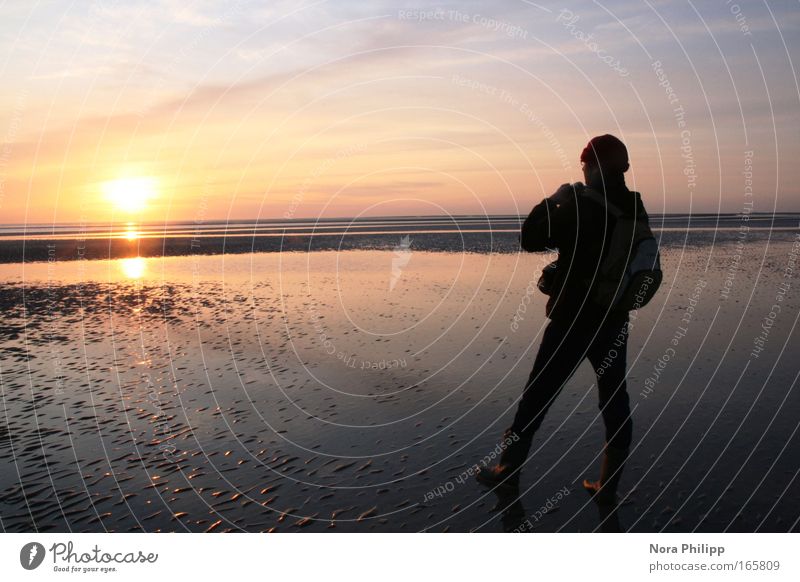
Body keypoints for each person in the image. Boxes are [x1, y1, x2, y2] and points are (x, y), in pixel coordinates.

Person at [476, 134, 651, 506]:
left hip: (573, 320)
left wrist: (553, 200)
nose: (583, 173)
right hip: (614, 320)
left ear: (595, 165)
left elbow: (530, 238)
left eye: (585, 166)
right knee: (614, 400)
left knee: (536, 397)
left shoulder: (580, 204)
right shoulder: (635, 207)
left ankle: (507, 473)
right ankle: (609, 485)